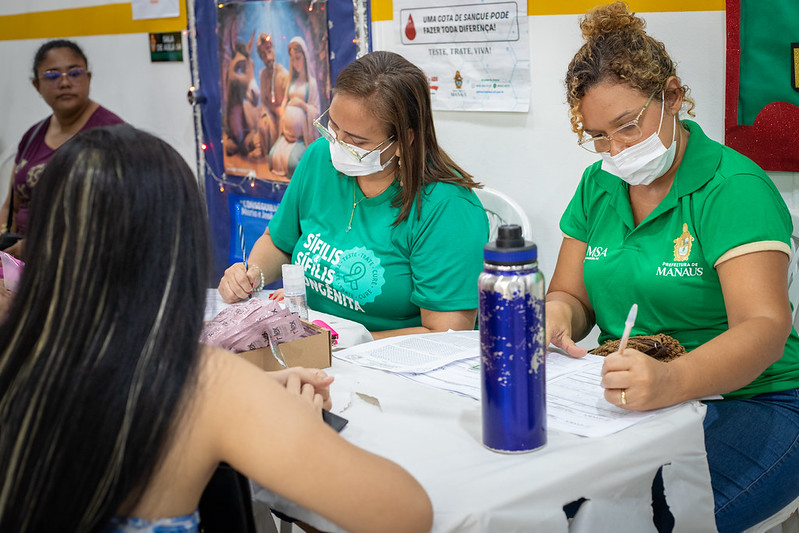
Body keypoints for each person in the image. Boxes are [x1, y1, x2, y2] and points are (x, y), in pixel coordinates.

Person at [0, 125, 433, 533]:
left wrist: (255, 390)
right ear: (177, 248)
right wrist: (301, 427)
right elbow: (407, 513)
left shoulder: (19, 348)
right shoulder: (200, 382)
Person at [546, 3, 799, 531]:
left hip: (754, 398)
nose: (614, 151)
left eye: (627, 127)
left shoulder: (733, 189)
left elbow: (765, 329)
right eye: (598, 136)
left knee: (648, 522)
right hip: (632, 397)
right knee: (546, 507)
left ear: (673, 97)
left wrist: (672, 380)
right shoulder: (600, 185)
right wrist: (554, 320)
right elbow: (571, 297)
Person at [219, 51, 489, 340]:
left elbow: (445, 335)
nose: (337, 144)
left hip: (389, 359)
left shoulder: (447, 208)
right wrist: (252, 276)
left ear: (404, 141)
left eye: (357, 141)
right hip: (315, 341)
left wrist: (346, 341)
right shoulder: (319, 158)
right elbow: (281, 242)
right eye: (333, 127)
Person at [0, 39, 123, 261]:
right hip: (22, 266)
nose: (65, 82)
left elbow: (117, 215)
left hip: (84, 263)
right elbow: (12, 205)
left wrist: (40, 246)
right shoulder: (33, 135)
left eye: (74, 73)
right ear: (37, 85)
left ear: (89, 78)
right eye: (52, 75)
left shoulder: (113, 135)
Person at [268, 36, 321, 178]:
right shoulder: (291, 82)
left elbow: (316, 111)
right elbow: (285, 101)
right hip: (286, 135)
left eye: (298, 58)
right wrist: (285, 109)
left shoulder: (312, 84)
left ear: (304, 58)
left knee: (292, 164)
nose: (295, 62)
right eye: (292, 59)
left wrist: (302, 105)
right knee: (272, 158)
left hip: (302, 137)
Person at [254, 32, 290, 159]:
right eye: (263, 54)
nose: (267, 57)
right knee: (263, 124)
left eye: (269, 51)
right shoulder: (262, 74)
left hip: (282, 113)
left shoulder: (283, 74)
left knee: (282, 118)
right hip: (270, 114)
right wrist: (267, 112)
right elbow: (264, 101)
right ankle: (263, 150)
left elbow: (288, 99)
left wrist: (280, 109)